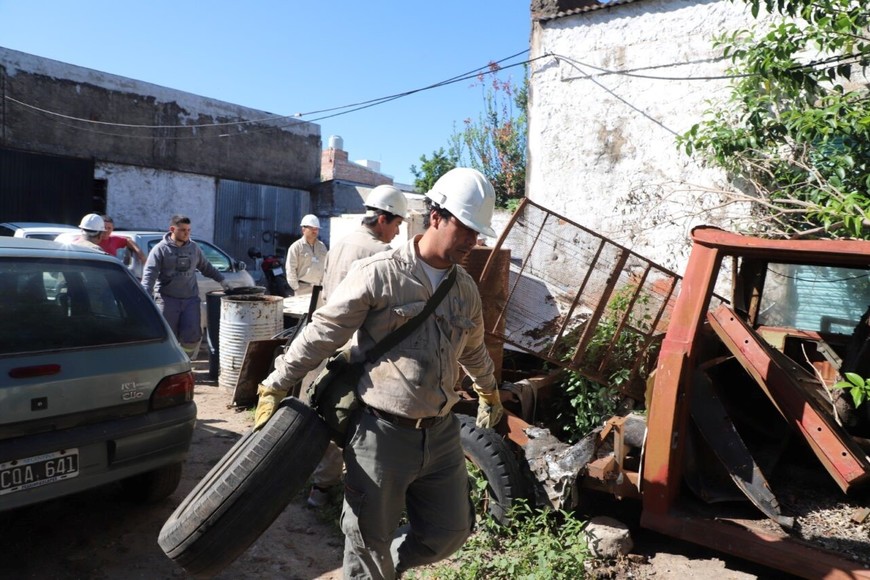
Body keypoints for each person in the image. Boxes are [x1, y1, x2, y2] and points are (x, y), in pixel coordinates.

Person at [254, 168, 504, 579]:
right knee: (368, 543)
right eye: (466, 228)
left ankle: (383, 569)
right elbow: (324, 331)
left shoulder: (465, 289)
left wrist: (488, 391)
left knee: (451, 531)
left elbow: (473, 348)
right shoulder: (380, 272)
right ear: (436, 216)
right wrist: (275, 383)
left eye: (478, 233)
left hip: (441, 434)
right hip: (381, 436)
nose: (472, 242)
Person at [307, 184, 409, 508]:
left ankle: (316, 486)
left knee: (322, 413)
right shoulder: (380, 254)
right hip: (355, 349)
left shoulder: (339, 244)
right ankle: (331, 491)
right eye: (397, 224)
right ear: (382, 218)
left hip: (327, 341)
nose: (397, 232)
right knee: (349, 420)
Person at [141, 214, 230, 359]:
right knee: (167, 335)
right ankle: (167, 363)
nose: (187, 233)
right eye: (183, 230)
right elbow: (149, 275)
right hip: (167, 299)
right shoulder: (160, 250)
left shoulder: (193, 248)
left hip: (190, 300)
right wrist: (144, 297)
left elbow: (206, 267)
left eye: (189, 230)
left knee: (192, 335)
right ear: (172, 229)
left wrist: (222, 280)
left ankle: (185, 361)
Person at [285, 214, 328, 296]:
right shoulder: (296, 247)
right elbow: (290, 268)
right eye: (312, 228)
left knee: (318, 309)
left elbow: (327, 267)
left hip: (319, 289)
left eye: (316, 229)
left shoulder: (322, 247)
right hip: (302, 289)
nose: (314, 231)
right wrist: (297, 288)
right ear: (303, 229)